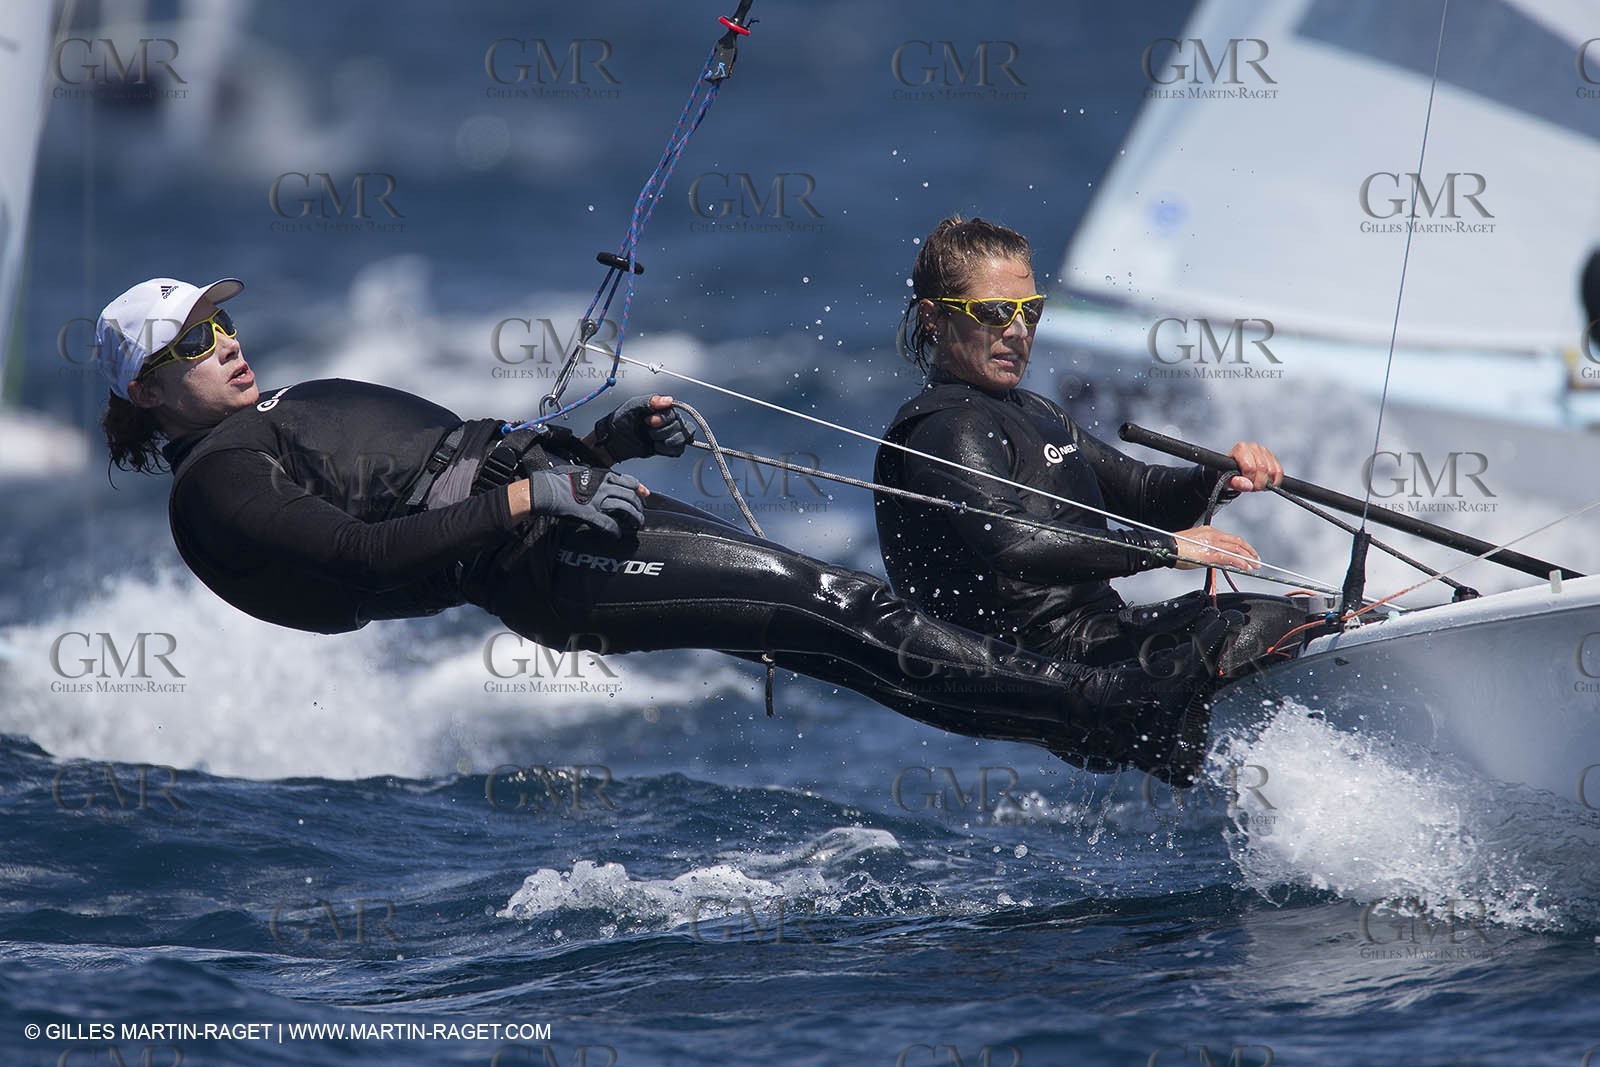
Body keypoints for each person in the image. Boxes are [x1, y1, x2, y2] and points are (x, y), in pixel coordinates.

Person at [95, 275, 1231, 784]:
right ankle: (1114, 707)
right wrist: (542, 500)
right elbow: (361, 560)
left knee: (837, 625)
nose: (225, 344)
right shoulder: (216, 482)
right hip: (555, 566)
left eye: (221, 321)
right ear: (147, 392)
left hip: (574, 521)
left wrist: (607, 449)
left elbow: (460, 480)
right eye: (191, 345)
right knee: (836, 612)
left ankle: (1103, 726)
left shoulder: (274, 418)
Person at [874, 216, 1287, 678]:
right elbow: (1015, 545)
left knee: (1282, 614)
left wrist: (1220, 477)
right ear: (934, 318)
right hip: (1036, 662)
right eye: (993, 312)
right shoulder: (946, 426)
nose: (1016, 330)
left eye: (1029, 311)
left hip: (1093, 635)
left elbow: (1144, 494)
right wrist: (1167, 549)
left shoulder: (1034, 411)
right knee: (1262, 625)